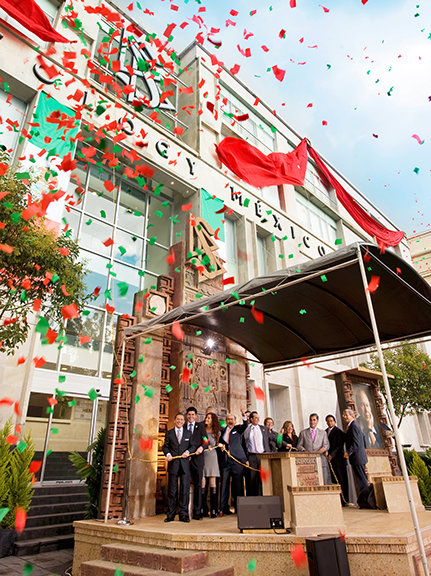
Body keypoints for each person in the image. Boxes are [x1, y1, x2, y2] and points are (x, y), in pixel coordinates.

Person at [162, 412, 197, 522]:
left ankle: (183, 514)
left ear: (184, 421)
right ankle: (171, 514)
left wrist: (188, 452)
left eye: (182, 420)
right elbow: (165, 447)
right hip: (173, 465)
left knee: (184, 490)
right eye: (178, 419)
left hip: (185, 466)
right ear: (174, 420)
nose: (179, 421)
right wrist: (168, 454)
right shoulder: (169, 433)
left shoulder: (188, 433)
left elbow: (193, 446)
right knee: (172, 491)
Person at [219, 411, 248, 516]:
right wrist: (221, 447)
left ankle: (239, 507)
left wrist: (244, 415)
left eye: (231, 419)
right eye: (228, 419)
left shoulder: (238, 429)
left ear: (235, 421)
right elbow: (221, 443)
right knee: (224, 485)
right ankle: (223, 508)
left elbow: (245, 425)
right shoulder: (223, 431)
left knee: (238, 485)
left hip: (237, 461)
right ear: (226, 421)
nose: (230, 421)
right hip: (226, 461)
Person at [242, 411, 270, 496]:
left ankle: (263, 496)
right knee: (252, 478)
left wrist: (281, 439)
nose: (257, 419)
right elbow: (243, 443)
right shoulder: (247, 430)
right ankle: (252, 498)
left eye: (258, 418)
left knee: (263, 478)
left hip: (263, 456)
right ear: (251, 419)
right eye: (255, 418)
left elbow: (273, 438)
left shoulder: (264, 429)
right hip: (252, 456)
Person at [297, 413, 331, 484]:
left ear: (317, 421)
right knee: (311, 482)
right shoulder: (303, 433)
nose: (312, 422)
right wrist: (304, 450)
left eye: (314, 420)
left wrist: (323, 449)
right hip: (308, 461)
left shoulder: (323, 433)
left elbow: (327, 445)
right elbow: (299, 446)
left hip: (321, 460)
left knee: (324, 481)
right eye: (311, 420)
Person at [185, 406, 205, 520]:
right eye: (189, 414)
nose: (191, 416)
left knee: (198, 485)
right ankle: (185, 511)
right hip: (186, 460)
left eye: (193, 415)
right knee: (185, 484)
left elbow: (206, 440)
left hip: (198, 459)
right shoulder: (183, 426)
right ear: (186, 415)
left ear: (196, 416)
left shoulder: (200, 426)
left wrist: (202, 447)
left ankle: (197, 512)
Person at [343, 408, 369, 494]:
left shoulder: (354, 426)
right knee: (360, 479)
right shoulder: (352, 425)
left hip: (358, 457)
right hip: (357, 457)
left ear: (352, 415)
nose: (344, 417)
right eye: (344, 415)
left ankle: (367, 497)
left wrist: (348, 452)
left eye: (346, 415)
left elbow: (356, 442)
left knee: (362, 480)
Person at [325, 414, 349, 505]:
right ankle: (337, 500)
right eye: (328, 421)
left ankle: (344, 500)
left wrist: (332, 454)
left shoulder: (339, 432)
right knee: (333, 479)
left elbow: (339, 445)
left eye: (331, 421)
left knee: (341, 479)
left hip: (339, 460)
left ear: (334, 422)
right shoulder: (325, 432)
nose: (329, 422)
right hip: (329, 460)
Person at [202, 412, 221, 518]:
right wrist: (206, 445)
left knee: (213, 482)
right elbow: (204, 441)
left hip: (212, 457)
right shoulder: (202, 430)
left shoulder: (217, 432)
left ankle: (214, 509)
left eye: (209, 418)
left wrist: (220, 445)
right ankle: (203, 509)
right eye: (206, 417)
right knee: (203, 482)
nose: (207, 419)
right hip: (203, 456)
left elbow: (216, 443)